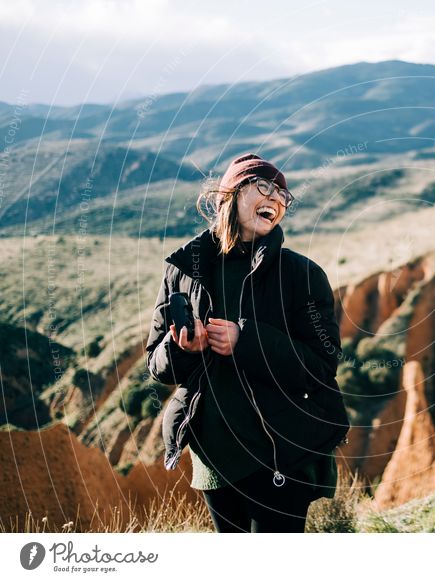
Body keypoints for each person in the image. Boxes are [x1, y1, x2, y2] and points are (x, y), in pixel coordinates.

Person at [146, 153, 349, 533]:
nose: (276, 199)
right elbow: (156, 365)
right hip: (213, 459)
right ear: (231, 195)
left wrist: (246, 339)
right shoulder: (183, 270)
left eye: (283, 196)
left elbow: (321, 366)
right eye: (264, 187)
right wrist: (181, 347)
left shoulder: (301, 276)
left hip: (279, 454)